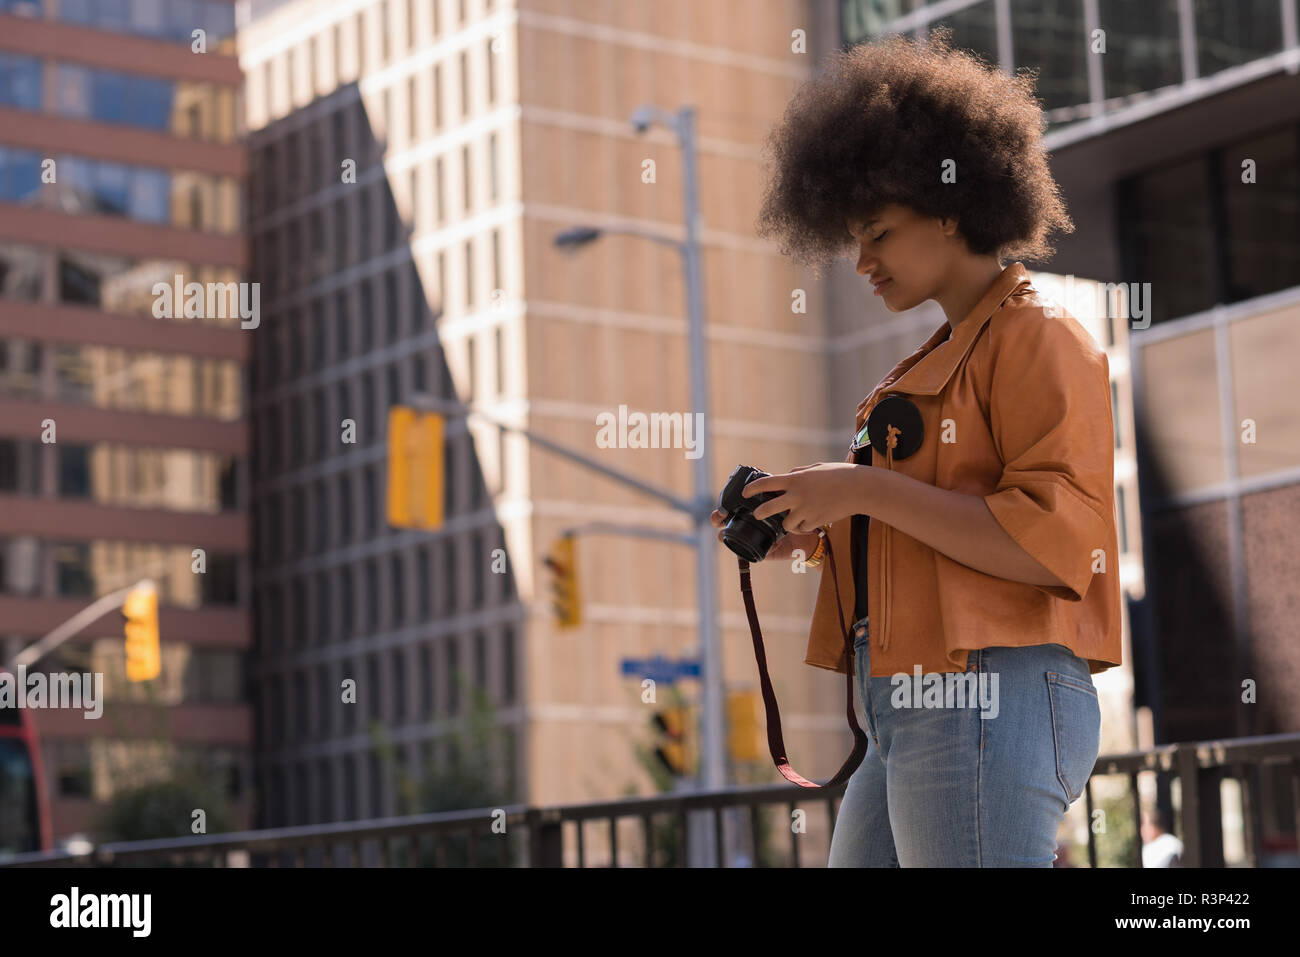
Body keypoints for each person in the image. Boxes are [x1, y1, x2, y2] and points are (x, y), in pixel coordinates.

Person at [711, 30, 1122, 867]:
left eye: (878, 234)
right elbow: (937, 542)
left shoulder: (1042, 339)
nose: (860, 261)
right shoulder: (928, 363)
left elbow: (1052, 543)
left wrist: (859, 493)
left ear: (950, 206)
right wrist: (819, 530)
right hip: (908, 705)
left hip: (987, 693)